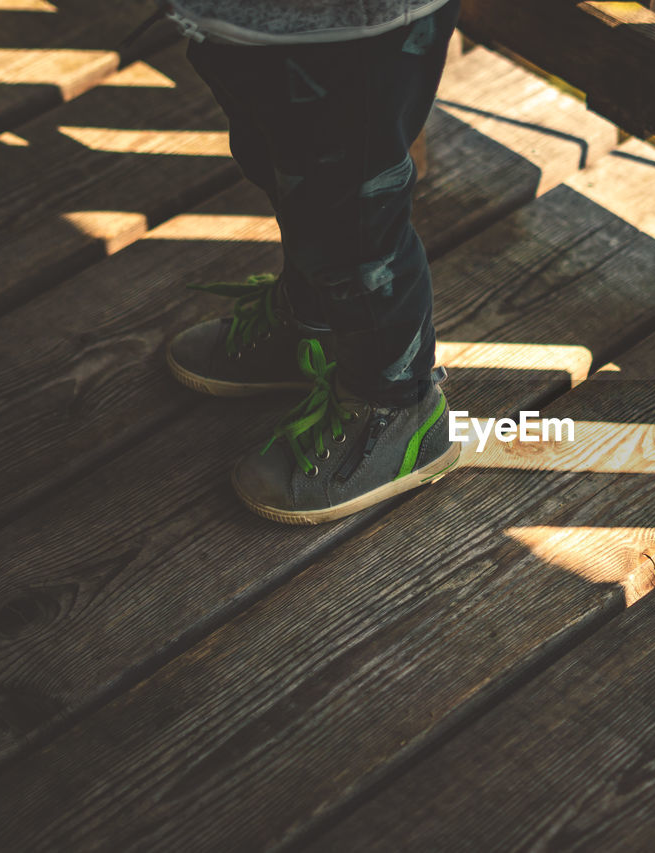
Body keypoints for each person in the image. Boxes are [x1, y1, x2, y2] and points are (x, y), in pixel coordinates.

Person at [160, 0, 463, 525]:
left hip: (353, 25)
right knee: (280, 164)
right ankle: (315, 323)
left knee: (353, 215)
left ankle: (394, 402)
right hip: (246, 21)